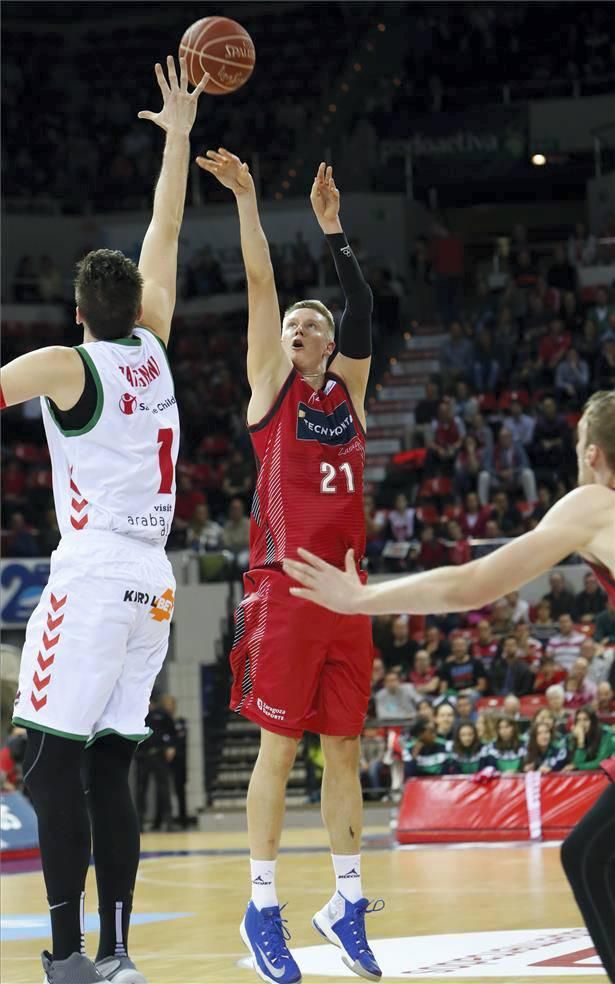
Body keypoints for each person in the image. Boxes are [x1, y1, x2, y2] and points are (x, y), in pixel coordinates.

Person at [283, 390, 615, 978]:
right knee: (590, 856)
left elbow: (472, 585)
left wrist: (362, 599)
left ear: (591, 453)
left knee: (590, 858)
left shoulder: (593, 503)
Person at [0, 57, 205, 984]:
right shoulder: (153, 345)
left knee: (44, 766)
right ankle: (118, 955)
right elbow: (166, 223)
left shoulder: (65, 362)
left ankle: (68, 955)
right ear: (131, 308)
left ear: (80, 312)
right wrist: (179, 135)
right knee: (109, 770)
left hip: (89, 576)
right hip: (155, 582)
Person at [196, 149, 381, 982]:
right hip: (283, 587)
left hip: (348, 593)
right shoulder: (268, 387)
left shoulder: (349, 391)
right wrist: (248, 201)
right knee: (276, 751)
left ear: (331, 344)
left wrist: (333, 229)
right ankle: (261, 907)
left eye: (313, 325)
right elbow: (263, 286)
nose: (298, 329)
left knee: (342, 755)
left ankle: (346, 904)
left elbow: (365, 308)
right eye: (290, 326)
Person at [135, 691, 175, 831]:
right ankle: (139, 822)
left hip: (158, 755)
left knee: (163, 788)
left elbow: (171, 732)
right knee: (141, 789)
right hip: (143, 756)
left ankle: (168, 821)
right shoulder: (138, 713)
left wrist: (170, 746)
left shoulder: (162, 714)